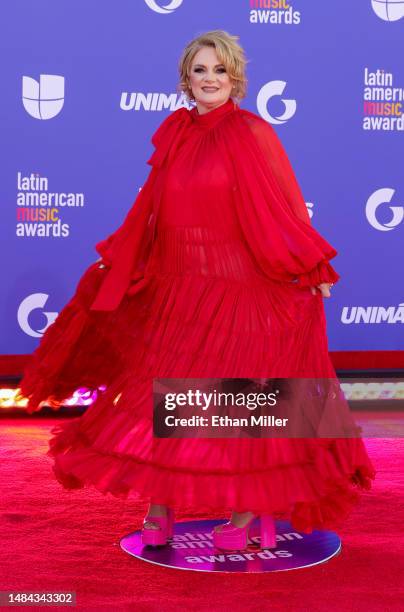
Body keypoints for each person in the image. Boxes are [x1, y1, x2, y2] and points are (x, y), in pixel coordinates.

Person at [18, 30, 375, 552]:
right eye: (200, 71)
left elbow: (280, 208)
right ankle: (159, 507)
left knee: (242, 402)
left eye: (219, 71)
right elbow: (152, 210)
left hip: (239, 288)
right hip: (177, 288)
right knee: (164, 399)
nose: (209, 80)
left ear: (236, 79)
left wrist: (311, 265)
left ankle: (245, 513)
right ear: (186, 78)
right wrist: (124, 259)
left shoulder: (252, 132)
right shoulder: (176, 132)